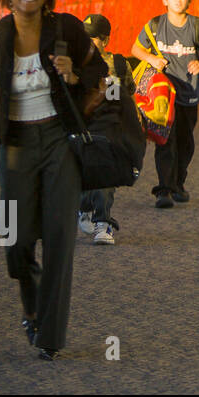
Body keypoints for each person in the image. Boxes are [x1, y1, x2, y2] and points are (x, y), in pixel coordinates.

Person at [0, 0, 108, 361]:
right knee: (16, 240)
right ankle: (31, 304)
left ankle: (49, 332)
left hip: (58, 139)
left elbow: (102, 74)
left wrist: (73, 76)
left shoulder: (64, 29)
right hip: (15, 145)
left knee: (60, 237)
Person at [131, 0, 199, 208]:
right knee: (165, 141)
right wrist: (151, 59)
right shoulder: (155, 25)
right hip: (163, 95)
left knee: (186, 142)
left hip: (189, 94)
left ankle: (178, 183)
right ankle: (164, 190)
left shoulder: (198, 26)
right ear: (164, 0)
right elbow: (135, 49)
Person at [76, 13, 132, 245]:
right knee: (82, 177)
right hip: (82, 129)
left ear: (105, 40)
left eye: (94, 38)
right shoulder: (75, 66)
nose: (88, 43)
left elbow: (129, 94)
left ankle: (103, 222)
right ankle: (85, 208)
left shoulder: (119, 65)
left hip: (109, 131)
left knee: (106, 175)